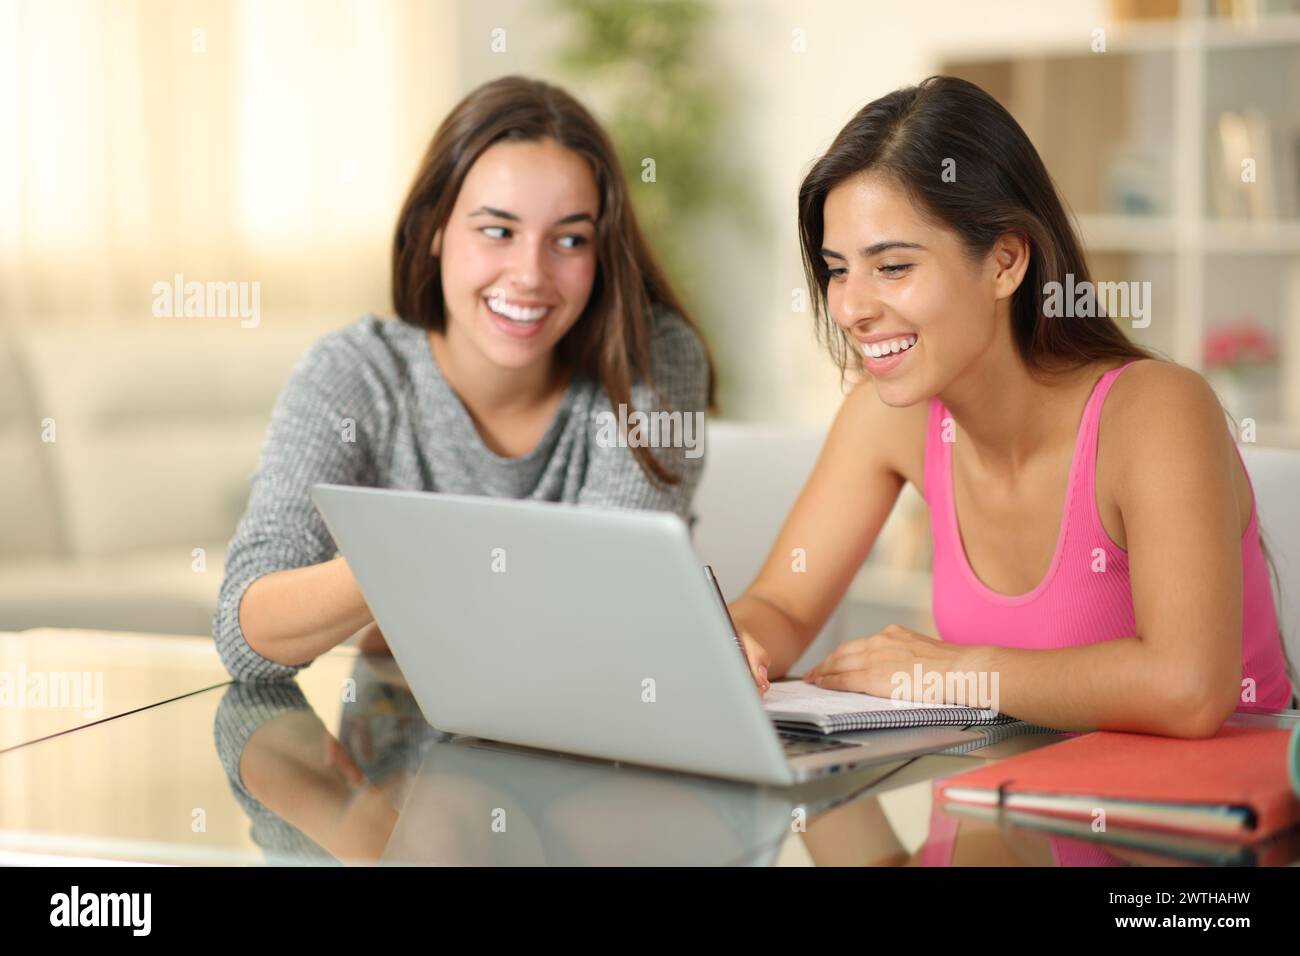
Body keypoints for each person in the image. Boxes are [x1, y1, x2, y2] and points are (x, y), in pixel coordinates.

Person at [728, 76, 1295, 736]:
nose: (851, 307)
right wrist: (735, 642)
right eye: (836, 269)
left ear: (1004, 261)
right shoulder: (889, 416)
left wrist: (951, 673)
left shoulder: (1156, 412)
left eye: (893, 267)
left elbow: (1188, 687)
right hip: (1024, 800)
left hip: (1210, 820)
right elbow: (783, 605)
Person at [214, 76, 714, 681]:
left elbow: (598, 618)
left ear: (602, 252)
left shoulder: (651, 357)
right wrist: (402, 558)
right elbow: (248, 637)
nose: (530, 274)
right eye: (498, 231)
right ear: (432, 230)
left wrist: (398, 618)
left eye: (570, 239)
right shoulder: (354, 374)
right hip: (396, 771)